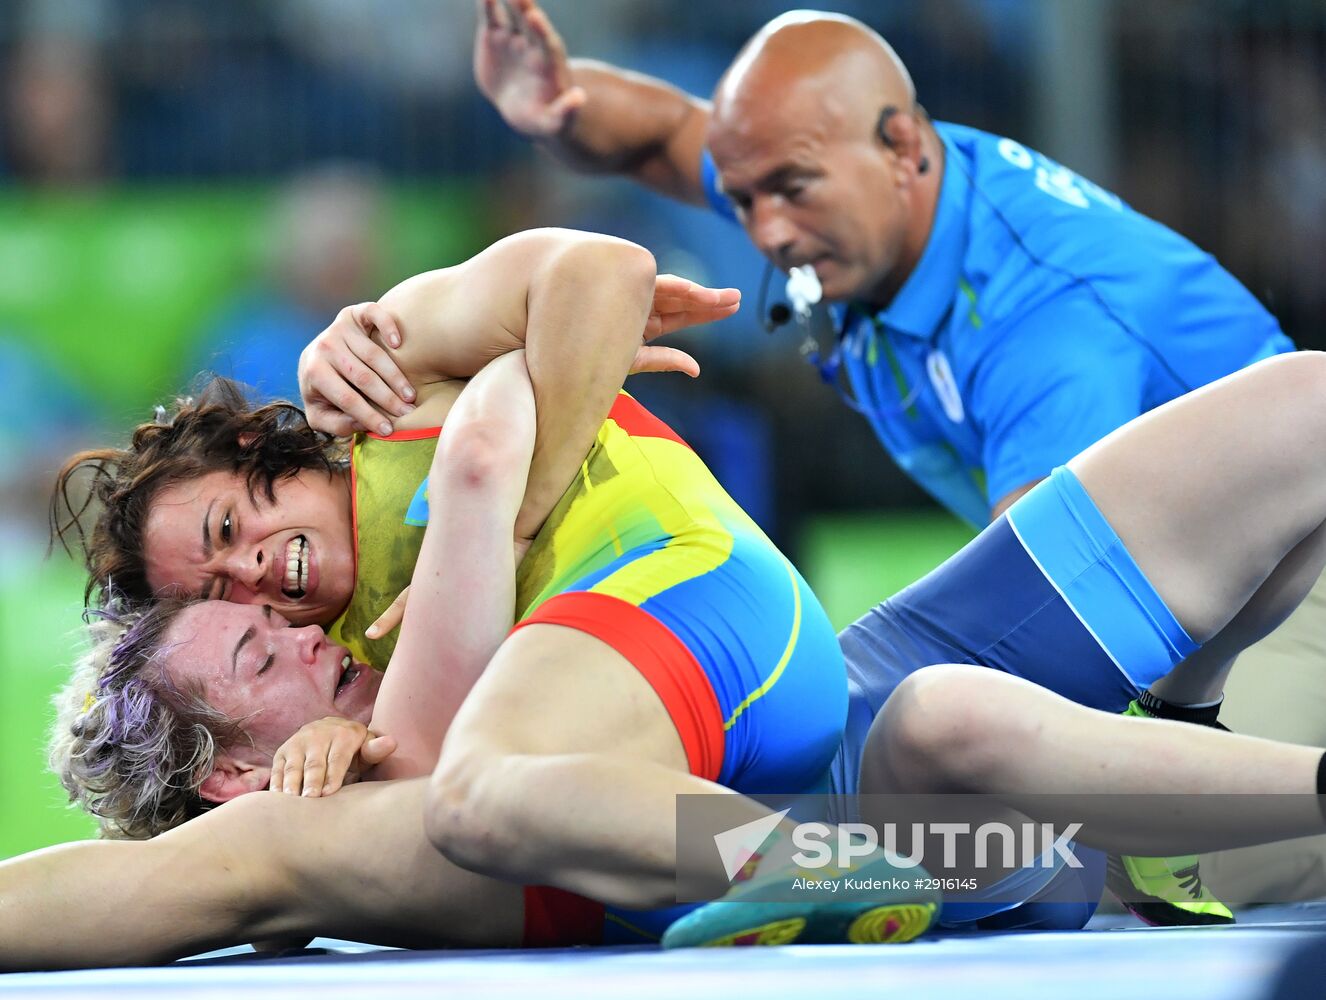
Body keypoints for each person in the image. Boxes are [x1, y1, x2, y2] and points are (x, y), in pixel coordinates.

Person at [11, 351, 1326, 967]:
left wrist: (538, 360)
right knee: (950, 728)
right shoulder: (297, 839)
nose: (297, 622)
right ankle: (1022, 859)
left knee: (1299, 406)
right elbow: (91, 893)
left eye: (258, 577)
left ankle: (1182, 750)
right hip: (848, 805)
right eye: (255, 644)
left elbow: (551, 304)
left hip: (827, 712)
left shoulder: (378, 555)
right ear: (229, 779)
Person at [467, 0, 1315, 923]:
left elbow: (1044, 645)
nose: (768, 233)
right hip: (1166, 580)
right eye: (745, 198)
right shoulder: (819, 161)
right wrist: (561, 105)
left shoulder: (1046, 332)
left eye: (787, 192)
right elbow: (668, 133)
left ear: (904, 147)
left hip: (1281, 588)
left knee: (1095, 859)